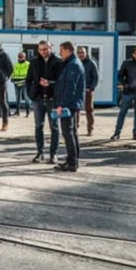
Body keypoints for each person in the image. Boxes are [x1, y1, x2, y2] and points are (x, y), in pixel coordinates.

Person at [25, 40, 62, 163]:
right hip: (38, 100)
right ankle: (40, 152)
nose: (43, 52)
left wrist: (50, 83)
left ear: (50, 48)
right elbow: (28, 79)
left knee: (55, 127)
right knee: (38, 126)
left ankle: (53, 154)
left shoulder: (58, 62)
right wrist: (31, 95)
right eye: (40, 50)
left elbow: (62, 82)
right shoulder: (34, 62)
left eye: (45, 49)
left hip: (53, 100)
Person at [53, 41, 85, 172]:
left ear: (68, 50)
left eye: (61, 50)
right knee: (72, 132)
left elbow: (70, 88)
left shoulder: (73, 65)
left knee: (68, 133)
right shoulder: (71, 63)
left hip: (69, 105)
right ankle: (73, 160)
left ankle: (72, 162)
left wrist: (62, 105)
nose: (60, 53)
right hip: (72, 104)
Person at [111, 47, 136, 141]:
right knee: (122, 113)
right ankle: (117, 133)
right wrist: (125, 84)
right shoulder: (127, 63)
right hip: (128, 93)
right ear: (133, 54)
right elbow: (120, 76)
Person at [77, 46, 99, 136]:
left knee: (89, 110)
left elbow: (96, 77)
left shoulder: (91, 63)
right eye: (79, 53)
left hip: (88, 90)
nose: (81, 54)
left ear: (86, 53)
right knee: (76, 110)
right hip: (77, 91)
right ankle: (75, 128)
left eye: (82, 52)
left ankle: (90, 129)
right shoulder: (75, 62)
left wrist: (91, 88)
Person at [11, 52, 30, 117]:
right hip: (16, 83)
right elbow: (13, 73)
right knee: (17, 98)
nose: (20, 58)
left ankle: (28, 112)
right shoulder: (16, 65)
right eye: (19, 56)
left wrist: (26, 80)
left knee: (26, 97)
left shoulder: (28, 64)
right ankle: (17, 112)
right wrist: (12, 78)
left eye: (22, 57)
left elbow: (29, 74)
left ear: (25, 57)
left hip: (25, 83)